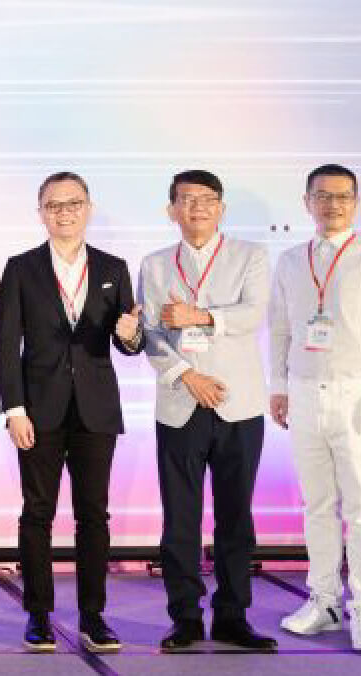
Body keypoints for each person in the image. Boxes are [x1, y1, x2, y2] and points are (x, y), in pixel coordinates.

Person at [0, 172, 142, 653]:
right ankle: (38, 614)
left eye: (73, 203)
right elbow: (7, 345)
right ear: (41, 213)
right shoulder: (21, 268)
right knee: (37, 512)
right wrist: (14, 408)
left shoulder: (113, 267)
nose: (64, 212)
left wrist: (131, 336)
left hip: (96, 410)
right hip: (38, 410)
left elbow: (129, 340)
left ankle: (93, 616)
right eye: (53, 205)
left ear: (88, 208)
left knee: (93, 515)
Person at [138, 170, 276, 652]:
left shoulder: (250, 256)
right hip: (181, 403)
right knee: (180, 518)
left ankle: (233, 616)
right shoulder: (155, 264)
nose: (197, 207)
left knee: (236, 516)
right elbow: (150, 334)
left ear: (221, 208)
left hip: (239, 404)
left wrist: (199, 316)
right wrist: (186, 376)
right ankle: (185, 617)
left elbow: (254, 313)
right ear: (171, 210)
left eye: (208, 199)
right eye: (187, 199)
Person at [269, 163, 361, 654]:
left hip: (358, 393)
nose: (332, 205)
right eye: (322, 196)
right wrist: (279, 386)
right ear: (306, 202)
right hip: (303, 391)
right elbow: (281, 327)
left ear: (356, 202)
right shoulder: (291, 260)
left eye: (342, 196)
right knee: (316, 504)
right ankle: (324, 600)